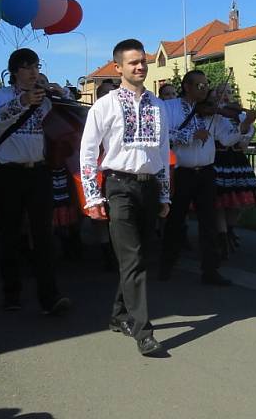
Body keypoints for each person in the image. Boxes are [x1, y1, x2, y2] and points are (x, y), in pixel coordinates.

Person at [80, 39, 170, 356]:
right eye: (133, 62)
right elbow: (88, 153)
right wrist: (92, 197)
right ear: (118, 67)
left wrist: (165, 195)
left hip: (148, 186)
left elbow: (161, 152)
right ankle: (143, 331)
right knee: (131, 259)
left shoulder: (158, 106)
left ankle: (119, 314)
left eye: (143, 61)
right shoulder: (105, 105)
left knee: (141, 257)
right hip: (118, 186)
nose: (140, 66)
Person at [0, 49, 70, 315]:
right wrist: (24, 100)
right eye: (27, 67)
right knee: (10, 232)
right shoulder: (2, 95)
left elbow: (70, 113)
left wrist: (61, 93)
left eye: (36, 66)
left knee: (44, 235)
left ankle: (50, 297)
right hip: (9, 173)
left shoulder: (44, 97)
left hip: (38, 171)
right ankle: (10, 292)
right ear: (14, 71)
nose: (33, 71)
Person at [161, 70, 255, 285]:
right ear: (187, 87)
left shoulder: (213, 114)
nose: (205, 90)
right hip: (182, 172)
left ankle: (211, 270)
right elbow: (162, 135)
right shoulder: (169, 107)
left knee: (209, 222)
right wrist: (190, 135)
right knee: (175, 220)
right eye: (200, 86)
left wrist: (244, 125)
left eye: (206, 86)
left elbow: (228, 139)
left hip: (206, 172)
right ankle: (167, 264)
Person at [211, 84, 256, 258]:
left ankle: (229, 229)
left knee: (238, 199)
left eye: (229, 92)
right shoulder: (215, 113)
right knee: (220, 200)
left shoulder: (237, 114)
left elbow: (249, 132)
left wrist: (246, 134)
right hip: (220, 157)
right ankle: (222, 236)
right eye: (221, 92)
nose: (226, 96)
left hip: (237, 159)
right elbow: (224, 138)